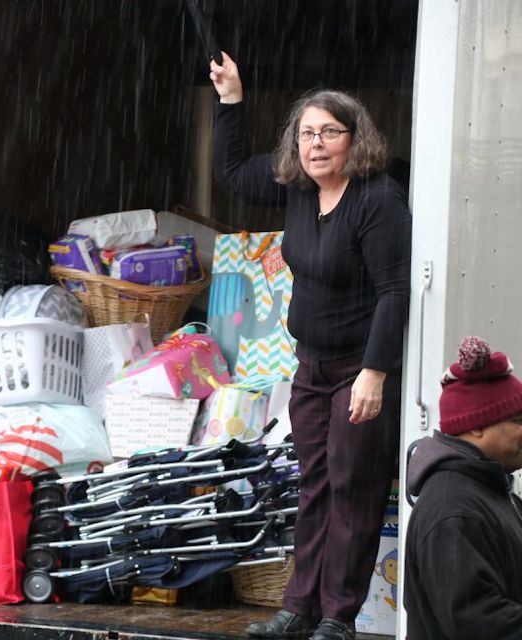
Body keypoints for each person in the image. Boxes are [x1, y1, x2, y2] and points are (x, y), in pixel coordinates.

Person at [209, 52, 412, 640]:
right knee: (315, 482)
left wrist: (375, 372)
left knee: (354, 484)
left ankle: (337, 617)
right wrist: (230, 100)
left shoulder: (377, 200)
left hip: (360, 368)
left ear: (355, 140)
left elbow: (395, 292)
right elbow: (230, 173)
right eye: (306, 133)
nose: (315, 144)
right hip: (312, 366)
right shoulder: (298, 189)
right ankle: (298, 609)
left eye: (329, 132)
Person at [404, 336, 522, 640]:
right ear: (477, 425)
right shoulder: (453, 509)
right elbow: (477, 621)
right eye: (518, 420)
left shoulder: (492, 489)